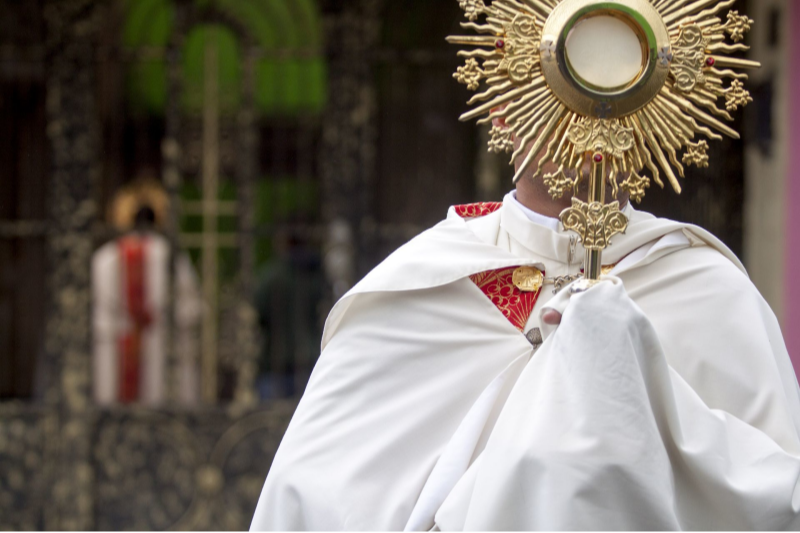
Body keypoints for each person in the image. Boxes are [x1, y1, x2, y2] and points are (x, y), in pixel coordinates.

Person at [250, 118, 800, 530]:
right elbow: (309, 500)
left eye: (613, 80)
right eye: (558, 77)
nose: (589, 113)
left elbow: (779, 500)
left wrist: (638, 381)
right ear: (503, 108)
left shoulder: (707, 290)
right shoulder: (419, 283)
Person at [92, 178, 202, 408]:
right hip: (159, 347)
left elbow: (94, 312)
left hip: (117, 351)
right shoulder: (170, 256)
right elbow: (191, 307)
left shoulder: (105, 258)